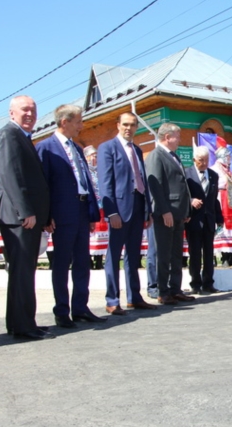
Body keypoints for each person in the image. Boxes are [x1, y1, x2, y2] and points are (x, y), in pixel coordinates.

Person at [0, 96, 54, 340]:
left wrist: (44, 216)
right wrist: (24, 211)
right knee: (21, 271)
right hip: (18, 216)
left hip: (28, 215)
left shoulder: (22, 137)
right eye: (24, 109)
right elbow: (10, 175)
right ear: (11, 113)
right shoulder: (8, 135)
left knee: (26, 271)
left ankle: (25, 321)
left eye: (33, 110)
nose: (30, 114)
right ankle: (22, 325)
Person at [36, 105, 105, 327]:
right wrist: (47, 215)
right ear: (64, 122)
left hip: (82, 211)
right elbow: (42, 185)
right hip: (62, 214)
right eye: (78, 121)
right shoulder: (46, 148)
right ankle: (62, 310)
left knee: (82, 262)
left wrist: (92, 213)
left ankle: (81, 308)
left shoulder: (76, 148)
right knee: (62, 263)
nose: (81, 126)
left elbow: (85, 181)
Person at [98, 112, 157, 314]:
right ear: (118, 125)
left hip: (139, 208)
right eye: (125, 124)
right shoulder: (107, 148)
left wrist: (148, 210)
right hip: (119, 211)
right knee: (114, 256)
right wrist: (111, 212)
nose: (128, 128)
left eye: (132, 125)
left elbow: (142, 180)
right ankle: (112, 300)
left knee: (134, 255)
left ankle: (134, 297)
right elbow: (105, 183)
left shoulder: (138, 150)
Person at [144, 123, 194, 305]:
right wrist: (164, 210)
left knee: (176, 254)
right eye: (177, 136)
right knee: (163, 254)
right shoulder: (156, 156)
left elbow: (182, 185)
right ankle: (162, 291)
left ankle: (175, 289)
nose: (180, 140)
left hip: (178, 212)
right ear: (167, 137)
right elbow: (155, 187)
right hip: (166, 213)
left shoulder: (173, 156)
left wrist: (185, 209)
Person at [185, 146, 223, 294]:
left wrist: (219, 218)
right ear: (195, 159)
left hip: (209, 219)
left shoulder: (213, 175)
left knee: (209, 253)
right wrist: (191, 200)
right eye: (201, 160)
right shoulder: (187, 174)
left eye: (207, 160)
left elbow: (214, 199)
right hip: (194, 219)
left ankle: (208, 283)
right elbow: (182, 194)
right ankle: (195, 283)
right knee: (195, 253)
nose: (204, 163)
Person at [83, 145, 107, 270]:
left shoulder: (100, 171)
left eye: (96, 156)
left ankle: (99, 261)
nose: (95, 158)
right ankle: (88, 261)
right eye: (93, 155)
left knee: (102, 234)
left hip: (101, 207)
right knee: (90, 234)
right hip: (90, 206)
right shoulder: (83, 170)